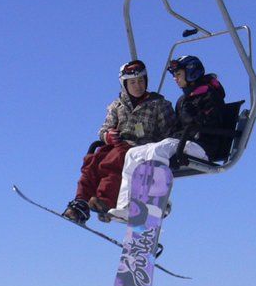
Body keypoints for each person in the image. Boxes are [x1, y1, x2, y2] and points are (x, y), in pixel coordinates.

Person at [108, 55, 226, 221]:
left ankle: (153, 203)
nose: (175, 79)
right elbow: (177, 127)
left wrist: (195, 116)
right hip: (184, 143)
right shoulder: (183, 100)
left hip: (203, 145)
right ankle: (126, 207)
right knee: (133, 154)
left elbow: (212, 122)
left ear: (191, 73)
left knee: (159, 149)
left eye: (178, 74)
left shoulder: (209, 96)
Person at [63, 60, 174, 223]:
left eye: (141, 81)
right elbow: (103, 129)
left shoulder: (158, 104)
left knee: (114, 163)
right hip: (116, 145)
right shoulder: (118, 105)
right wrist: (107, 135)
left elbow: (169, 132)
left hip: (140, 148)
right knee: (92, 163)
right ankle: (81, 203)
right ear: (125, 84)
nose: (138, 86)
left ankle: (106, 201)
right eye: (133, 82)